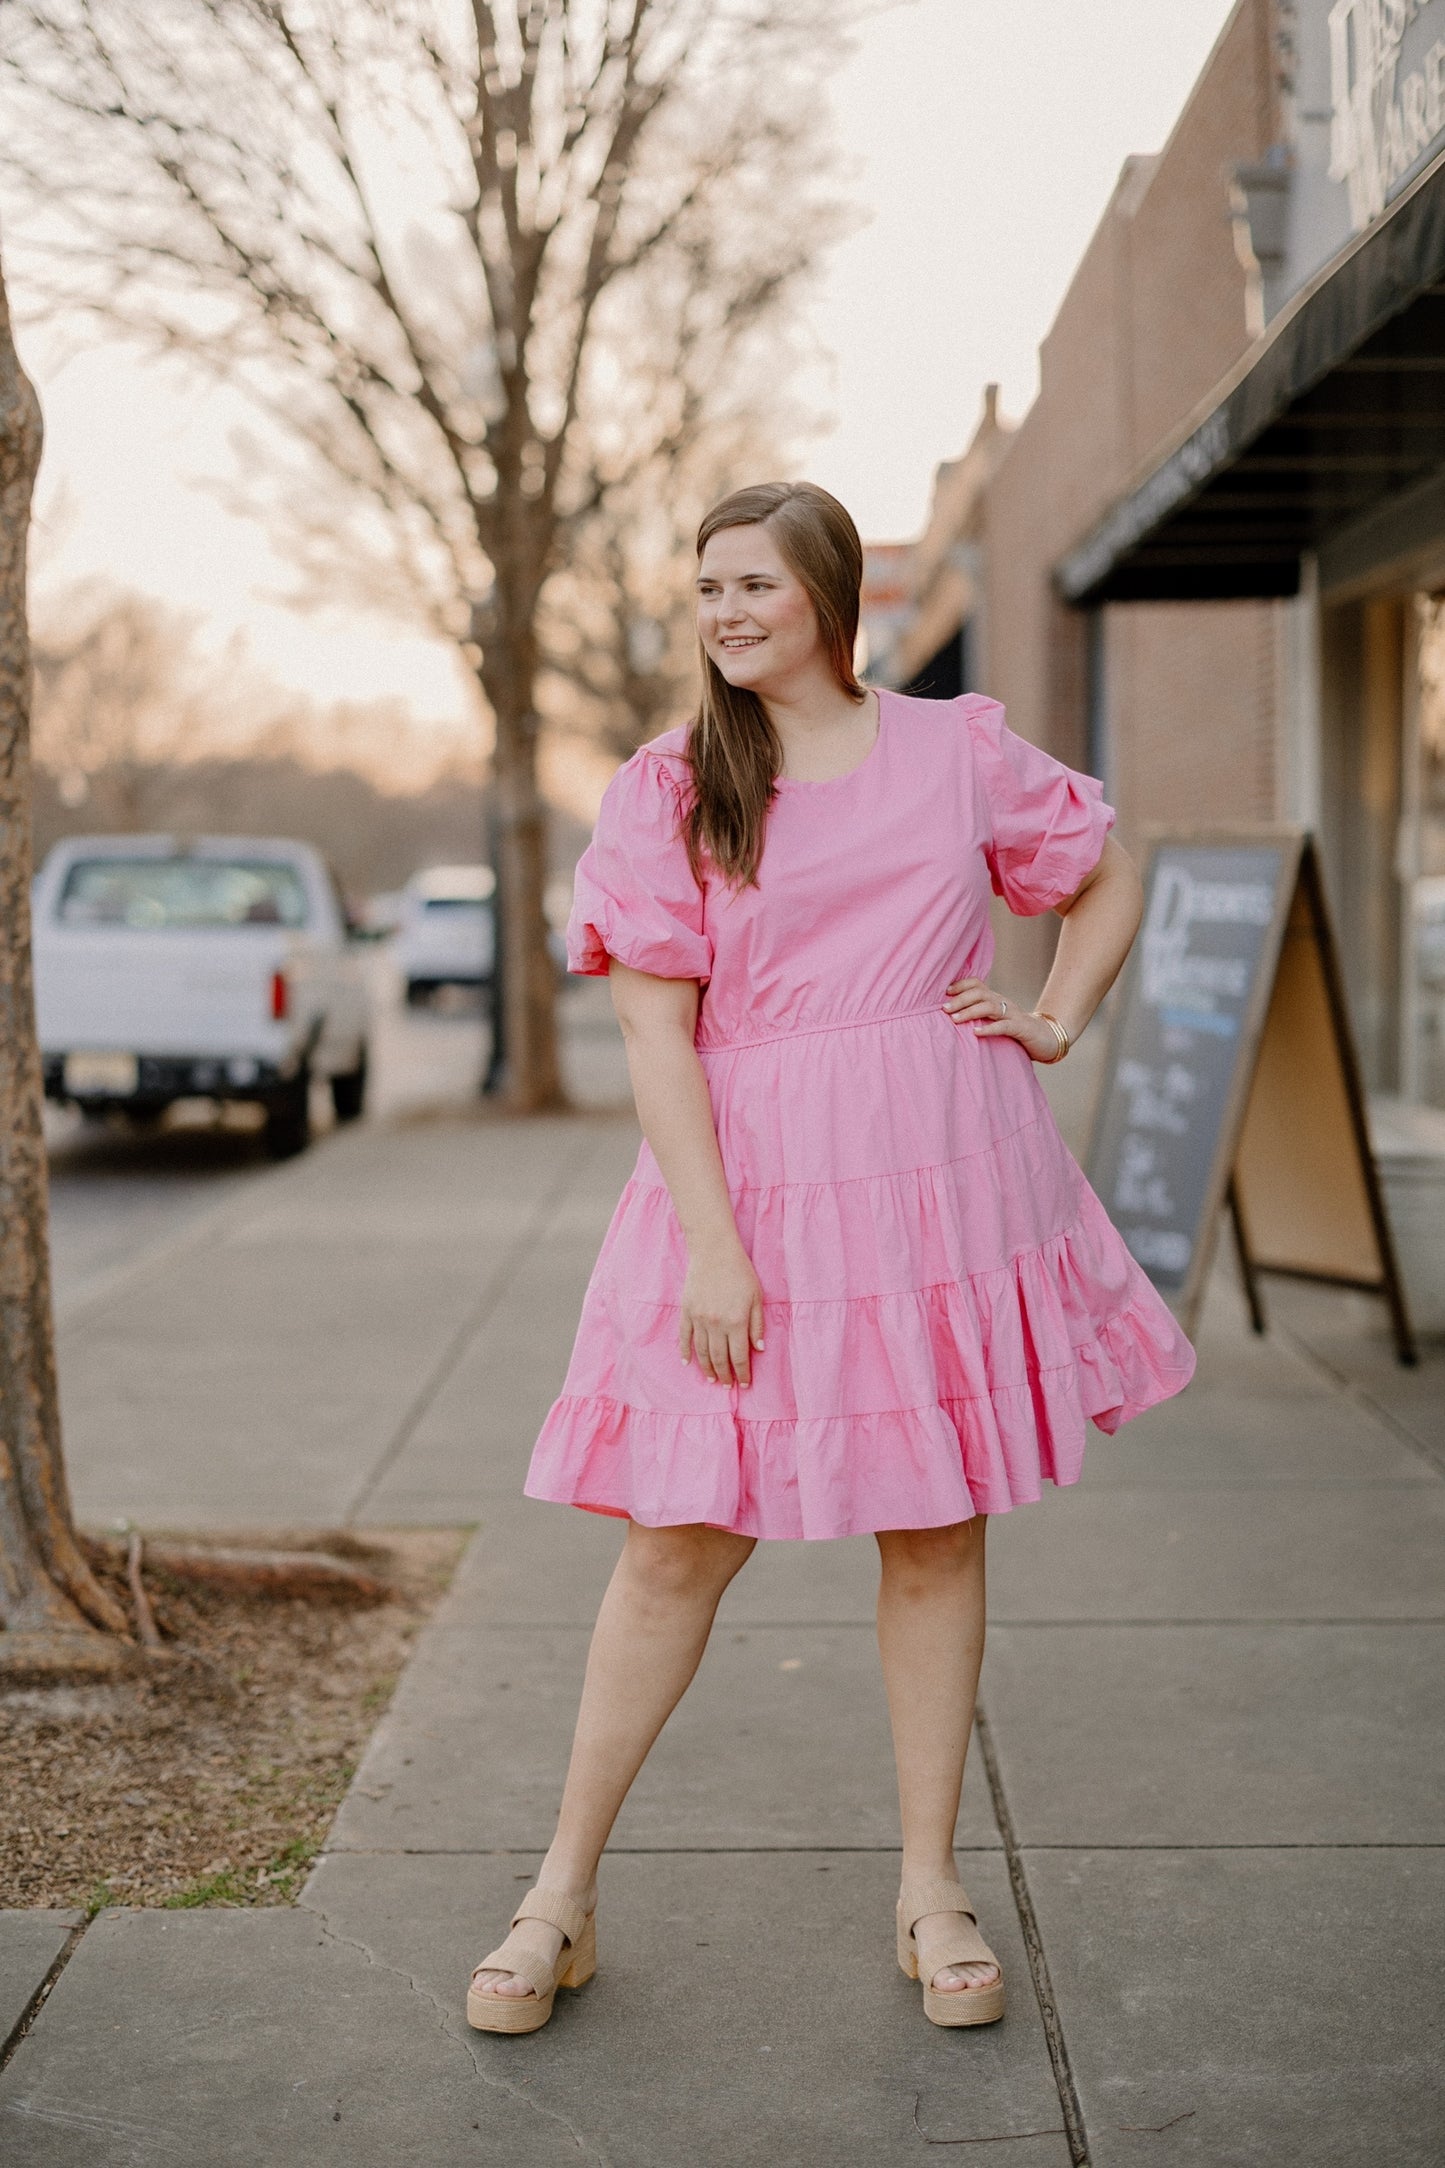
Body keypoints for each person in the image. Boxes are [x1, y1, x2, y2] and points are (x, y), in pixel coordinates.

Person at [467, 481, 1195, 2036]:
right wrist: (715, 1249)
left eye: (755, 585)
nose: (726, 613)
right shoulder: (669, 785)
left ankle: (929, 1887)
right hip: (750, 1196)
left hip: (941, 1186)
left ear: (829, 594)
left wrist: (1056, 1015)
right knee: (675, 1537)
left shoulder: (952, 750)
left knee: (932, 1530)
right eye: (707, 587)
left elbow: (1108, 868)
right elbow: (655, 1041)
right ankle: (558, 1895)